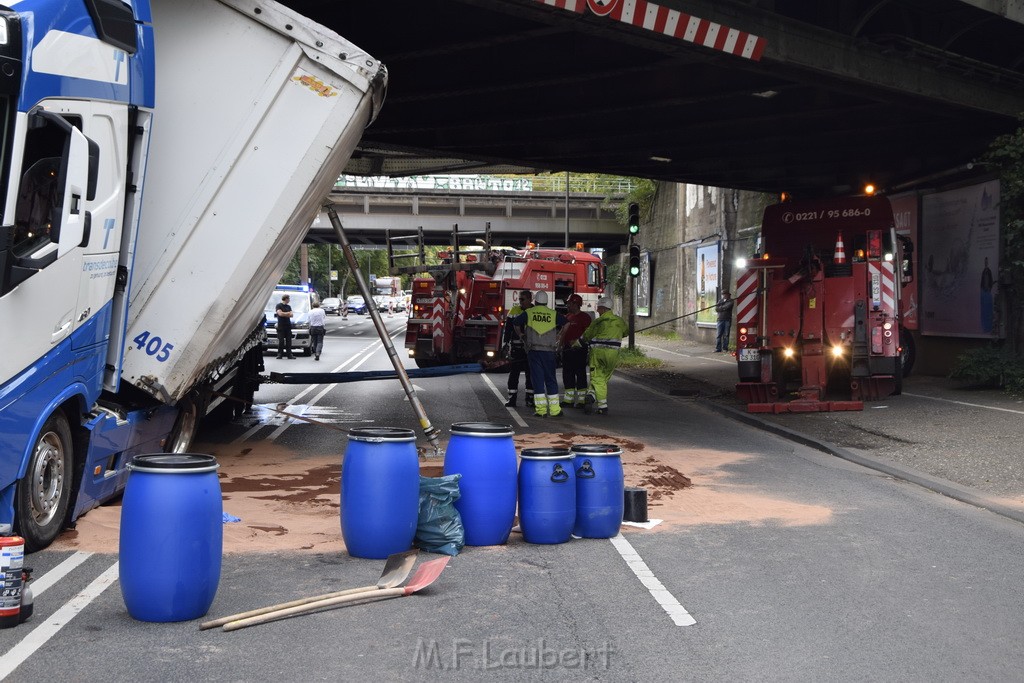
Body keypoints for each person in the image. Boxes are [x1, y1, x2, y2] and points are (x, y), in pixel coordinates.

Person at [509, 290, 566, 418]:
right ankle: (555, 410)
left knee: (538, 380)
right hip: (549, 351)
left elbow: (515, 323)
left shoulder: (529, 313)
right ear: (546, 302)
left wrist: (522, 335)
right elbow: (566, 323)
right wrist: (559, 337)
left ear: (535, 301)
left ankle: (541, 410)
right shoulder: (553, 314)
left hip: (534, 351)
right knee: (551, 379)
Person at [582, 296, 627, 415]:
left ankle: (602, 406)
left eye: (598, 308)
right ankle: (591, 395)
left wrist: (580, 341)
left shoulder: (598, 322)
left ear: (603, 308)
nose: (597, 310)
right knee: (602, 377)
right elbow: (625, 332)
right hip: (612, 355)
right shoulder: (619, 321)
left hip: (598, 354)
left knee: (597, 378)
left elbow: (587, 336)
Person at [557, 294, 592, 408]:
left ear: (576, 304)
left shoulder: (585, 318)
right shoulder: (568, 317)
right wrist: (559, 345)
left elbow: (588, 335)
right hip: (567, 350)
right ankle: (569, 400)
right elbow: (562, 332)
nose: (567, 305)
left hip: (579, 350)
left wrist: (578, 342)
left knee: (580, 374)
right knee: (567, 374)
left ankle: (581, 401)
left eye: (569, 303)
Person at [502, 290, 534, 408]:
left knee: (530, 374)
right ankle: (512, 399)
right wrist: (505, 344)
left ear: (530, 299)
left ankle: (530, 399)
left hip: (530, 349)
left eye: (523, 299)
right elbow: (508, 328)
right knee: (514, 374)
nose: (520, 302)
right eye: (519, 299)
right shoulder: (515, 310)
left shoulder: (534, 311)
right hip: (517, 348)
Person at [275, 295, 295, 359]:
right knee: (281, 341)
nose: (289, 300)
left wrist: (284, 313)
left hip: (288, 326)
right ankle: (280, 354)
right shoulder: (279, 305)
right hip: (281, 326)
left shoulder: (289, 306)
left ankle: (289, 355)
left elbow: (291, 315)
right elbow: (280, 314)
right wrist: (287, 313)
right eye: (288, 299)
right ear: (285, 299)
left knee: (289, 341)